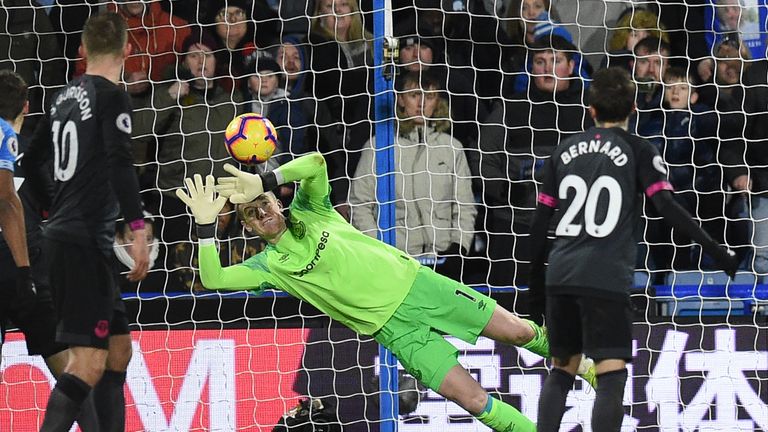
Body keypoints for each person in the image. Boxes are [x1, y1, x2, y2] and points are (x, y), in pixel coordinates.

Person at [176, 153, 597, 432]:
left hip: (420, 287)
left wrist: (266, 177)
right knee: (473, 401)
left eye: (264, 202)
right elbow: (213, 280)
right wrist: (204, 227)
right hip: (396, 331)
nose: (263, 212)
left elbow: (317, 162)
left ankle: (588, 368)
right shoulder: (268, 265)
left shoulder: (312, 209)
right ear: (248, 227)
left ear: (276, 201)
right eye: (252, 214)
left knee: (521, 334)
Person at [528, 67, 739, 432]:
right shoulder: (639, 149)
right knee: (610, 373)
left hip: (560, 274)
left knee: (562, 369)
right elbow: (668, 209)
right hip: (604, 276)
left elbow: (538, 225)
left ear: (590, 109)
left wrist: (533, 290)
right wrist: (719, 253)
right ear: (633, 110)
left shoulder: (563, 151)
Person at [24, 12, 150, 432]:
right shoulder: (111, 97)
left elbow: (31, 159)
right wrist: (136, 227)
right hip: (80, 244)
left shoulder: (63, 96)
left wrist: (50, 209)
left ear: (81, 50)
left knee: (118, 353)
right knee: (88, 363)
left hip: (76, 240)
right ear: (128, 49)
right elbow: (119, 162)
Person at [0, 70, 100, 430]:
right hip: (32, 266)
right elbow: (54, 202)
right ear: (26, 106)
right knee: (73, 374)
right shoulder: (29, 148)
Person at [478, 35, 592, 287]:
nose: (548, 68)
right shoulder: (509, 109)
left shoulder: (588, 111)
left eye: (556, 60)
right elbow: (484, 158)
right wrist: (503, 189)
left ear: (571, 67)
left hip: (573, 230)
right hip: (516, 227)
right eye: (540, 61)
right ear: (531, 67)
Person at [350, 71, 477, 282]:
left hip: (444, 258)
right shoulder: (378, 146)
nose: (421, 103)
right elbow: (360, 205)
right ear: (400, 99)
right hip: (394, 260)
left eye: (429, 96)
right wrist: (380, 249)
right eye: (414, 95)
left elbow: (464, 206)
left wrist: (459, 248)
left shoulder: (452, 148)